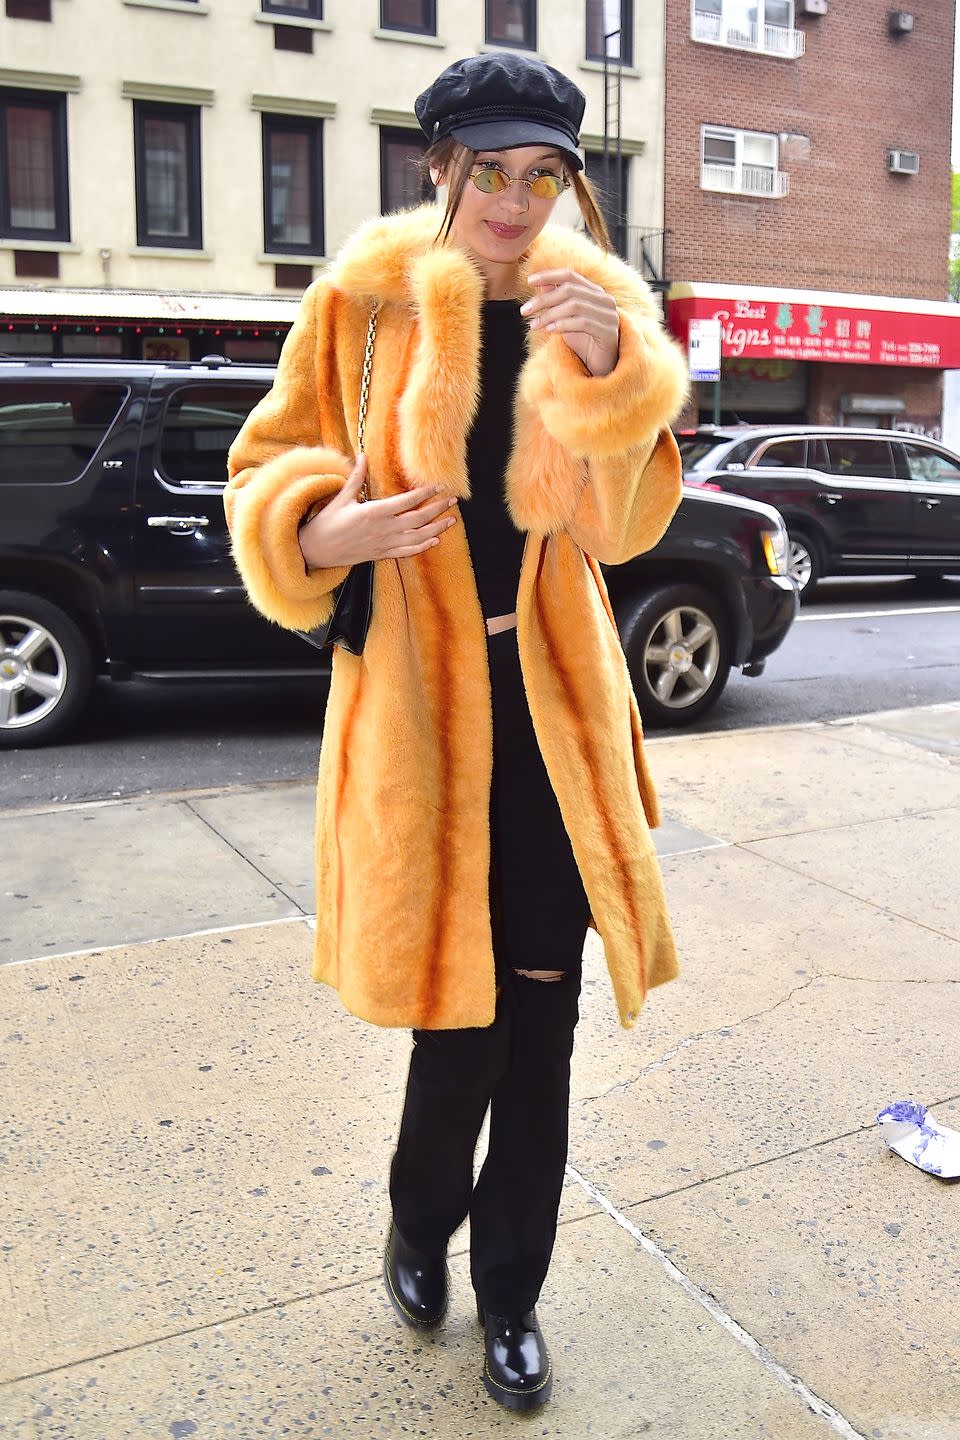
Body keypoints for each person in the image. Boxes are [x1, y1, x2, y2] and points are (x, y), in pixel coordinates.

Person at [224, 50, 688, 1414]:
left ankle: (515, 1299)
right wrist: (325, 527)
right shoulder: (362, 301)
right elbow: (265, 462)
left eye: (546, 174)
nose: (519, 199)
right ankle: (418, 1218)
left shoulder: (592, 309)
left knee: (541, 1032)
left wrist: (611, 381)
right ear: (441, 168)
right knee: (458, 1027)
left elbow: (622, 528)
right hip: (421, 714)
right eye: (494, 170)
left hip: (551, 712)